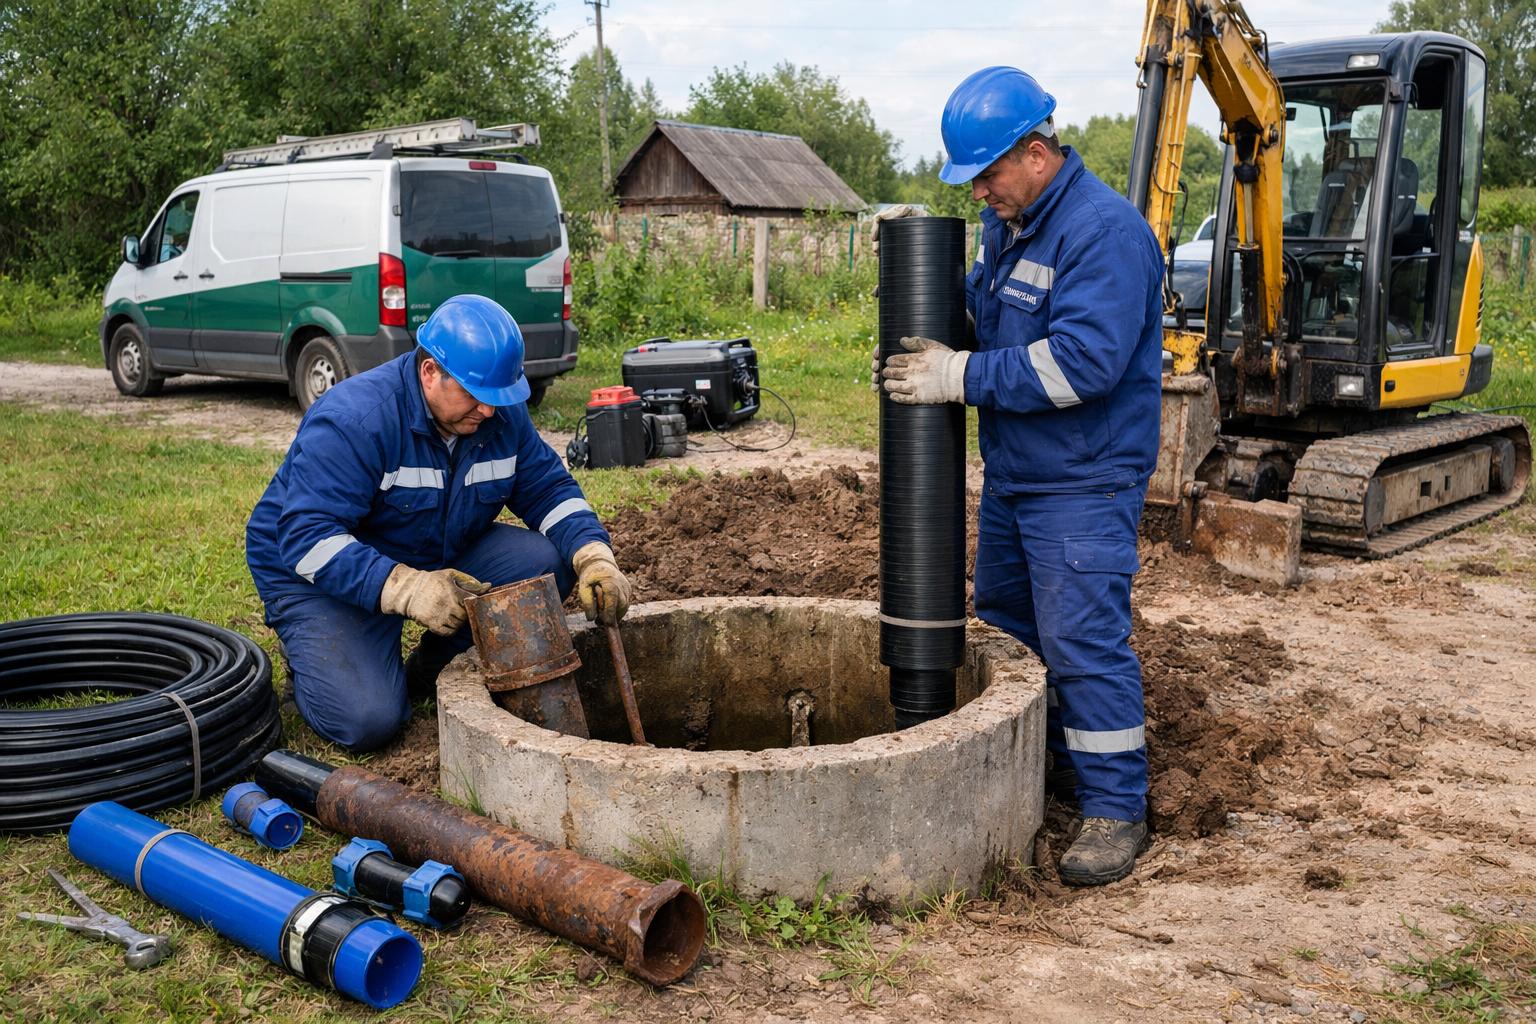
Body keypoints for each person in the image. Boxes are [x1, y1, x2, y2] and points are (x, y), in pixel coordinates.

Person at [873, 66, 1164, 886]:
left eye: (987, 176)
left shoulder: (1101, 233)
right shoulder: (1016, 227)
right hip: (1018, 477)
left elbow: (1083, 365)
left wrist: (956, 377)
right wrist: (911, 277)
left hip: (1083, 482)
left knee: (1081, 641)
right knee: (1008, 626)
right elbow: (980, 324)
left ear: (1036, 154)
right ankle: (1048, 767)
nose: (980, 195)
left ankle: (1114, 808)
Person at [246, 295, 632, 751]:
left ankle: (436, 667)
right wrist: (407, 589)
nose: (488, 412)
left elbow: (549, 490)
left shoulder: (498, 414)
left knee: (547, 561)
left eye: (497, 398)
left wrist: (594, 557)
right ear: (429, 372)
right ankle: (311, 654)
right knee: (368, 720)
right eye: (474, 395)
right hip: (321, 570)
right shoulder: (355, 420)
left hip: (430, 543)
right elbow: (306, 538)